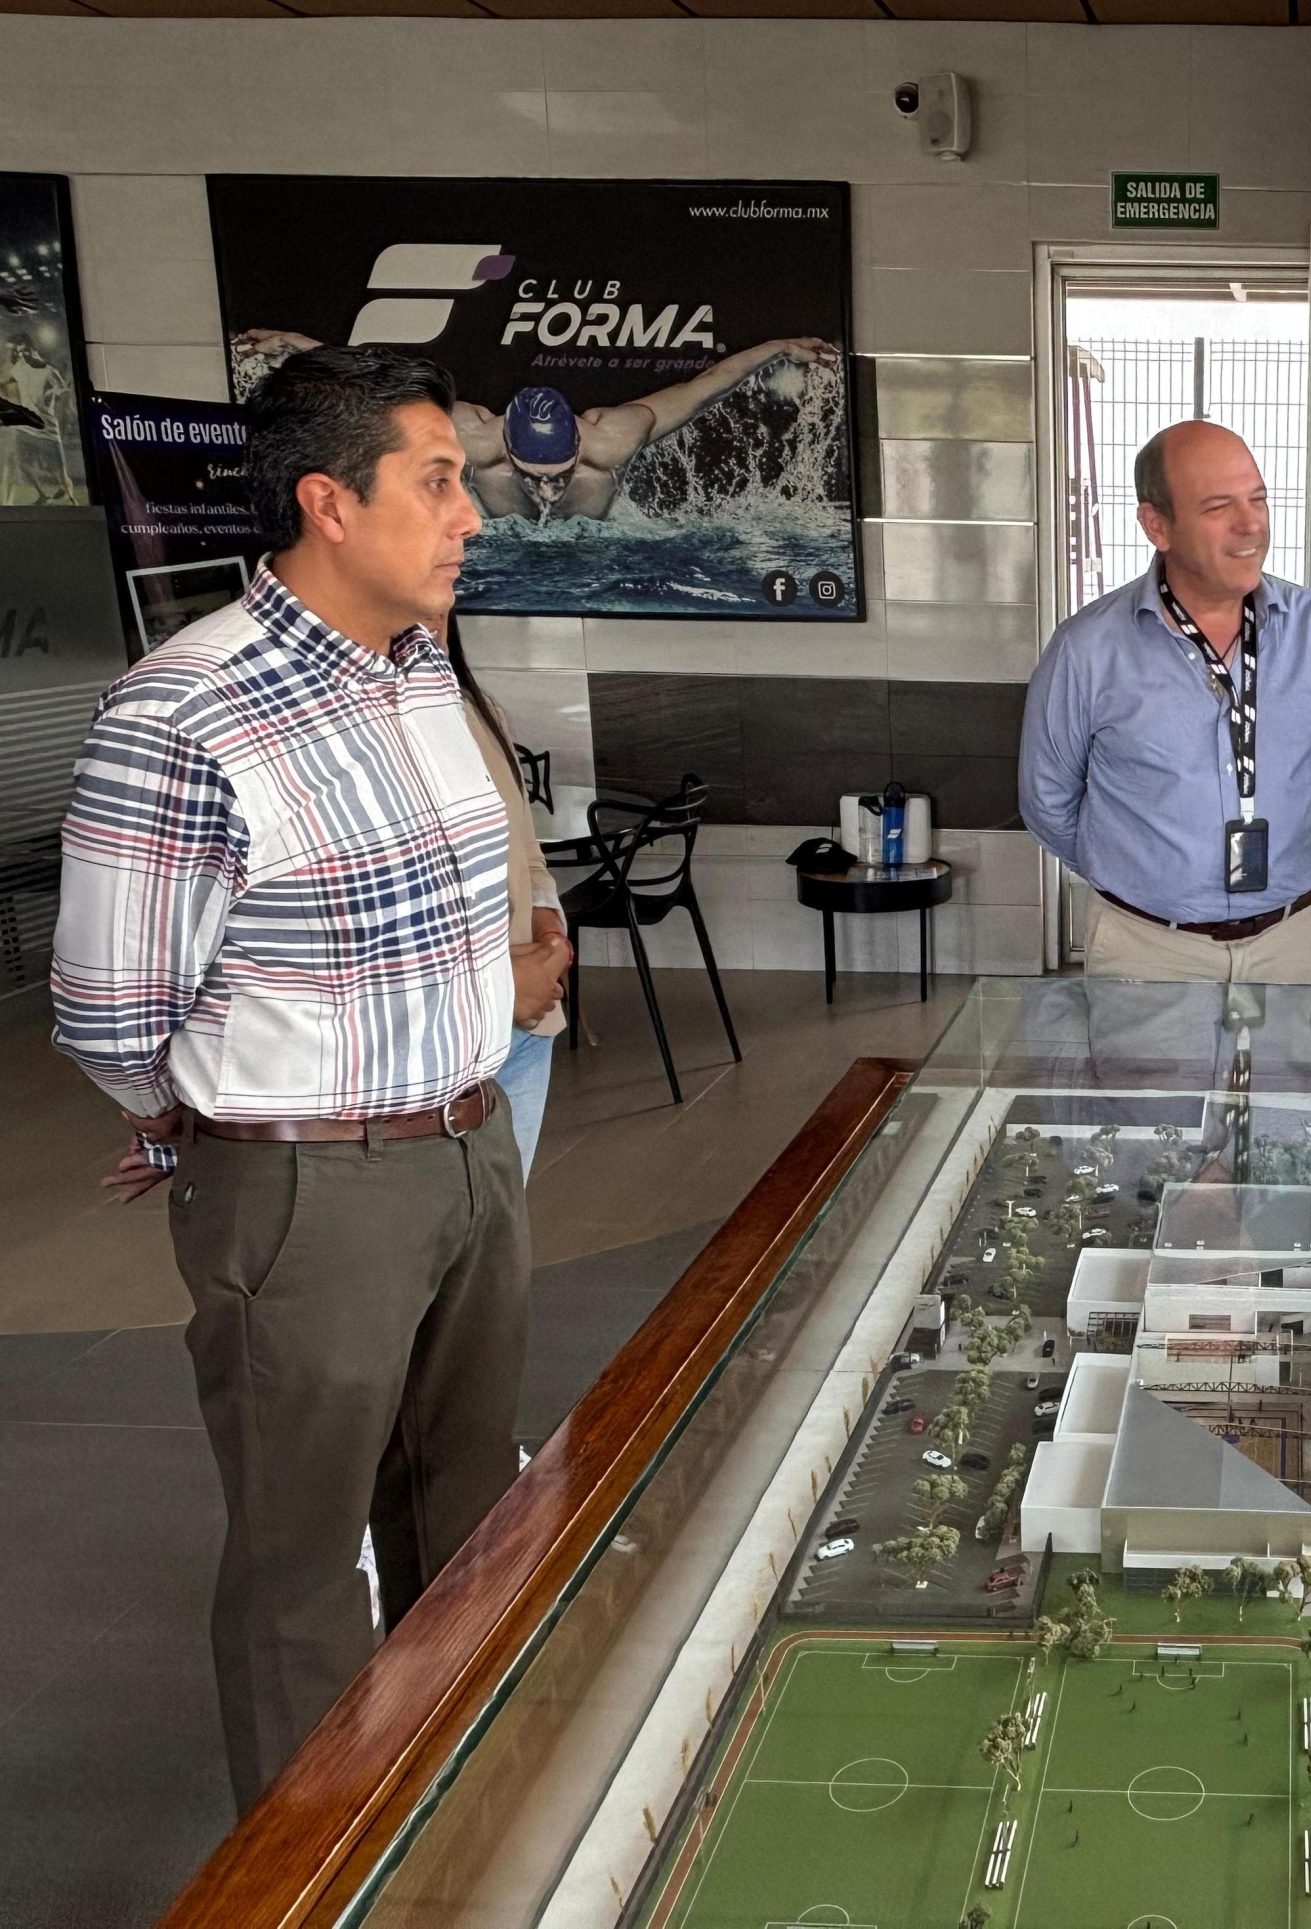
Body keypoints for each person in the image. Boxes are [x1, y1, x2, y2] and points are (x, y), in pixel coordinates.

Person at [51, 344, 536, 1808]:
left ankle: (457, 1804)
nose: (469, 515)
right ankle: (317, 1860)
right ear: (330, 503)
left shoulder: (416, 672)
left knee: (471, 1513)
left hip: (471, 1152)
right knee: (302, 1566)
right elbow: (109, 1006)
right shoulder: (182, 711)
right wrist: (202, 1129)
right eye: (436, 482)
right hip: (312, 1190)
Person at [1020, 421, 1311, 984]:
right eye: (1218, 507)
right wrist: (1144, 877)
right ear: (1157, 525)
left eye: (1258, 499)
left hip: (1290, 945)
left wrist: (1283, 855)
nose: (1250, 524)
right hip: (1146, 950)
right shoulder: (1088, 649)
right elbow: (1047, 801)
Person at [236, 327, 839, 523]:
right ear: (504, 447)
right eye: (533, 476)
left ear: (580, 445)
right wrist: (297, 347)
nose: (546, 490)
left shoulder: (614, 438)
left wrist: (774, 348)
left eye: (557, 475)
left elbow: (703, 387)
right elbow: (371, 389)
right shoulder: (469, 438)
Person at [444, 612, 574, 1178]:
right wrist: (497, 988)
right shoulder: (353, 731)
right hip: (447, 1039)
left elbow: (527, 851)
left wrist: (551, 935)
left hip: (528, 1024)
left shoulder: (481, 712)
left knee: (506, 1214)